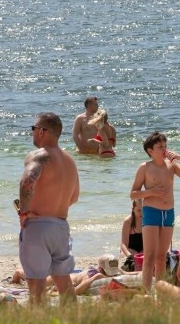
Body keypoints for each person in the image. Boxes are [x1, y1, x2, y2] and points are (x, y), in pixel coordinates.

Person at [18, 112, 80, 306]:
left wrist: (24, 212)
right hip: (61, 226)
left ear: (43, 131)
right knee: (63, 281)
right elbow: (75, 196)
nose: (32, 133)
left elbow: (27, 182)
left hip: (38, 226)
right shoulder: (69, 161)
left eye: (33, 129)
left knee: (36, 285)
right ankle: (75, 322)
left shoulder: (39, 155)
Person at [130, 131, 180, 291]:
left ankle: (160, 291)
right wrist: (151, 192)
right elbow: (133, 193)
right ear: (150, 151)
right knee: (150, 256)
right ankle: (146, 291)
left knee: (162, 257)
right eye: (160, 147)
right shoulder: (145, 167)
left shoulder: (172, 166)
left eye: (165, 146)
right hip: (151, 211)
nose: (165, 149)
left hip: (168, 213)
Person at [11, 255, 120, 296]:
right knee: (36, 282)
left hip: (72, 275)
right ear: (100, 269)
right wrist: (95, 278)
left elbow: (128, 274)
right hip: (61, 278)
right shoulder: (92, 275)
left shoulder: (111, 272)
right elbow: (76, 291)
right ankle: (19, 272)